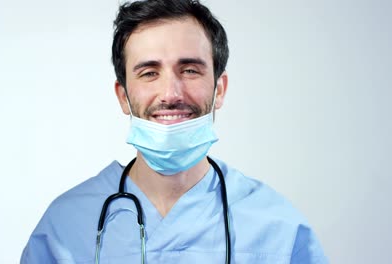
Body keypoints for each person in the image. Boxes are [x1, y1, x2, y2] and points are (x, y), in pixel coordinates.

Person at [21, 0, 328, 263]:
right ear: (122, 96)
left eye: (190, 70)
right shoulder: (65, 226)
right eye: (149, 73)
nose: (170, 93)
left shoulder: (279, 228)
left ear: (219, 90)